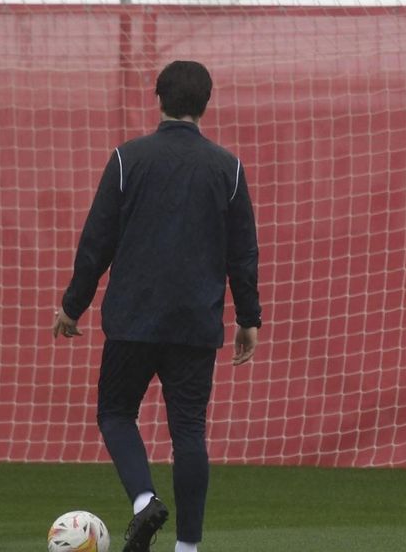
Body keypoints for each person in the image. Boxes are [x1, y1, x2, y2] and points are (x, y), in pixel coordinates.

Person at [51, 60, 262, 552]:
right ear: (206, 103)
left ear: (158, 98)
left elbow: (96, 241)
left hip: (133, 318)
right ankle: (187, 548)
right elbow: (243, 252)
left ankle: (145, 501)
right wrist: (248, 318)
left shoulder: (128, 159)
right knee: (189, 431)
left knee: (116, 413)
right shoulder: (227, 167)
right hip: (195, 321)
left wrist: (72, 306)